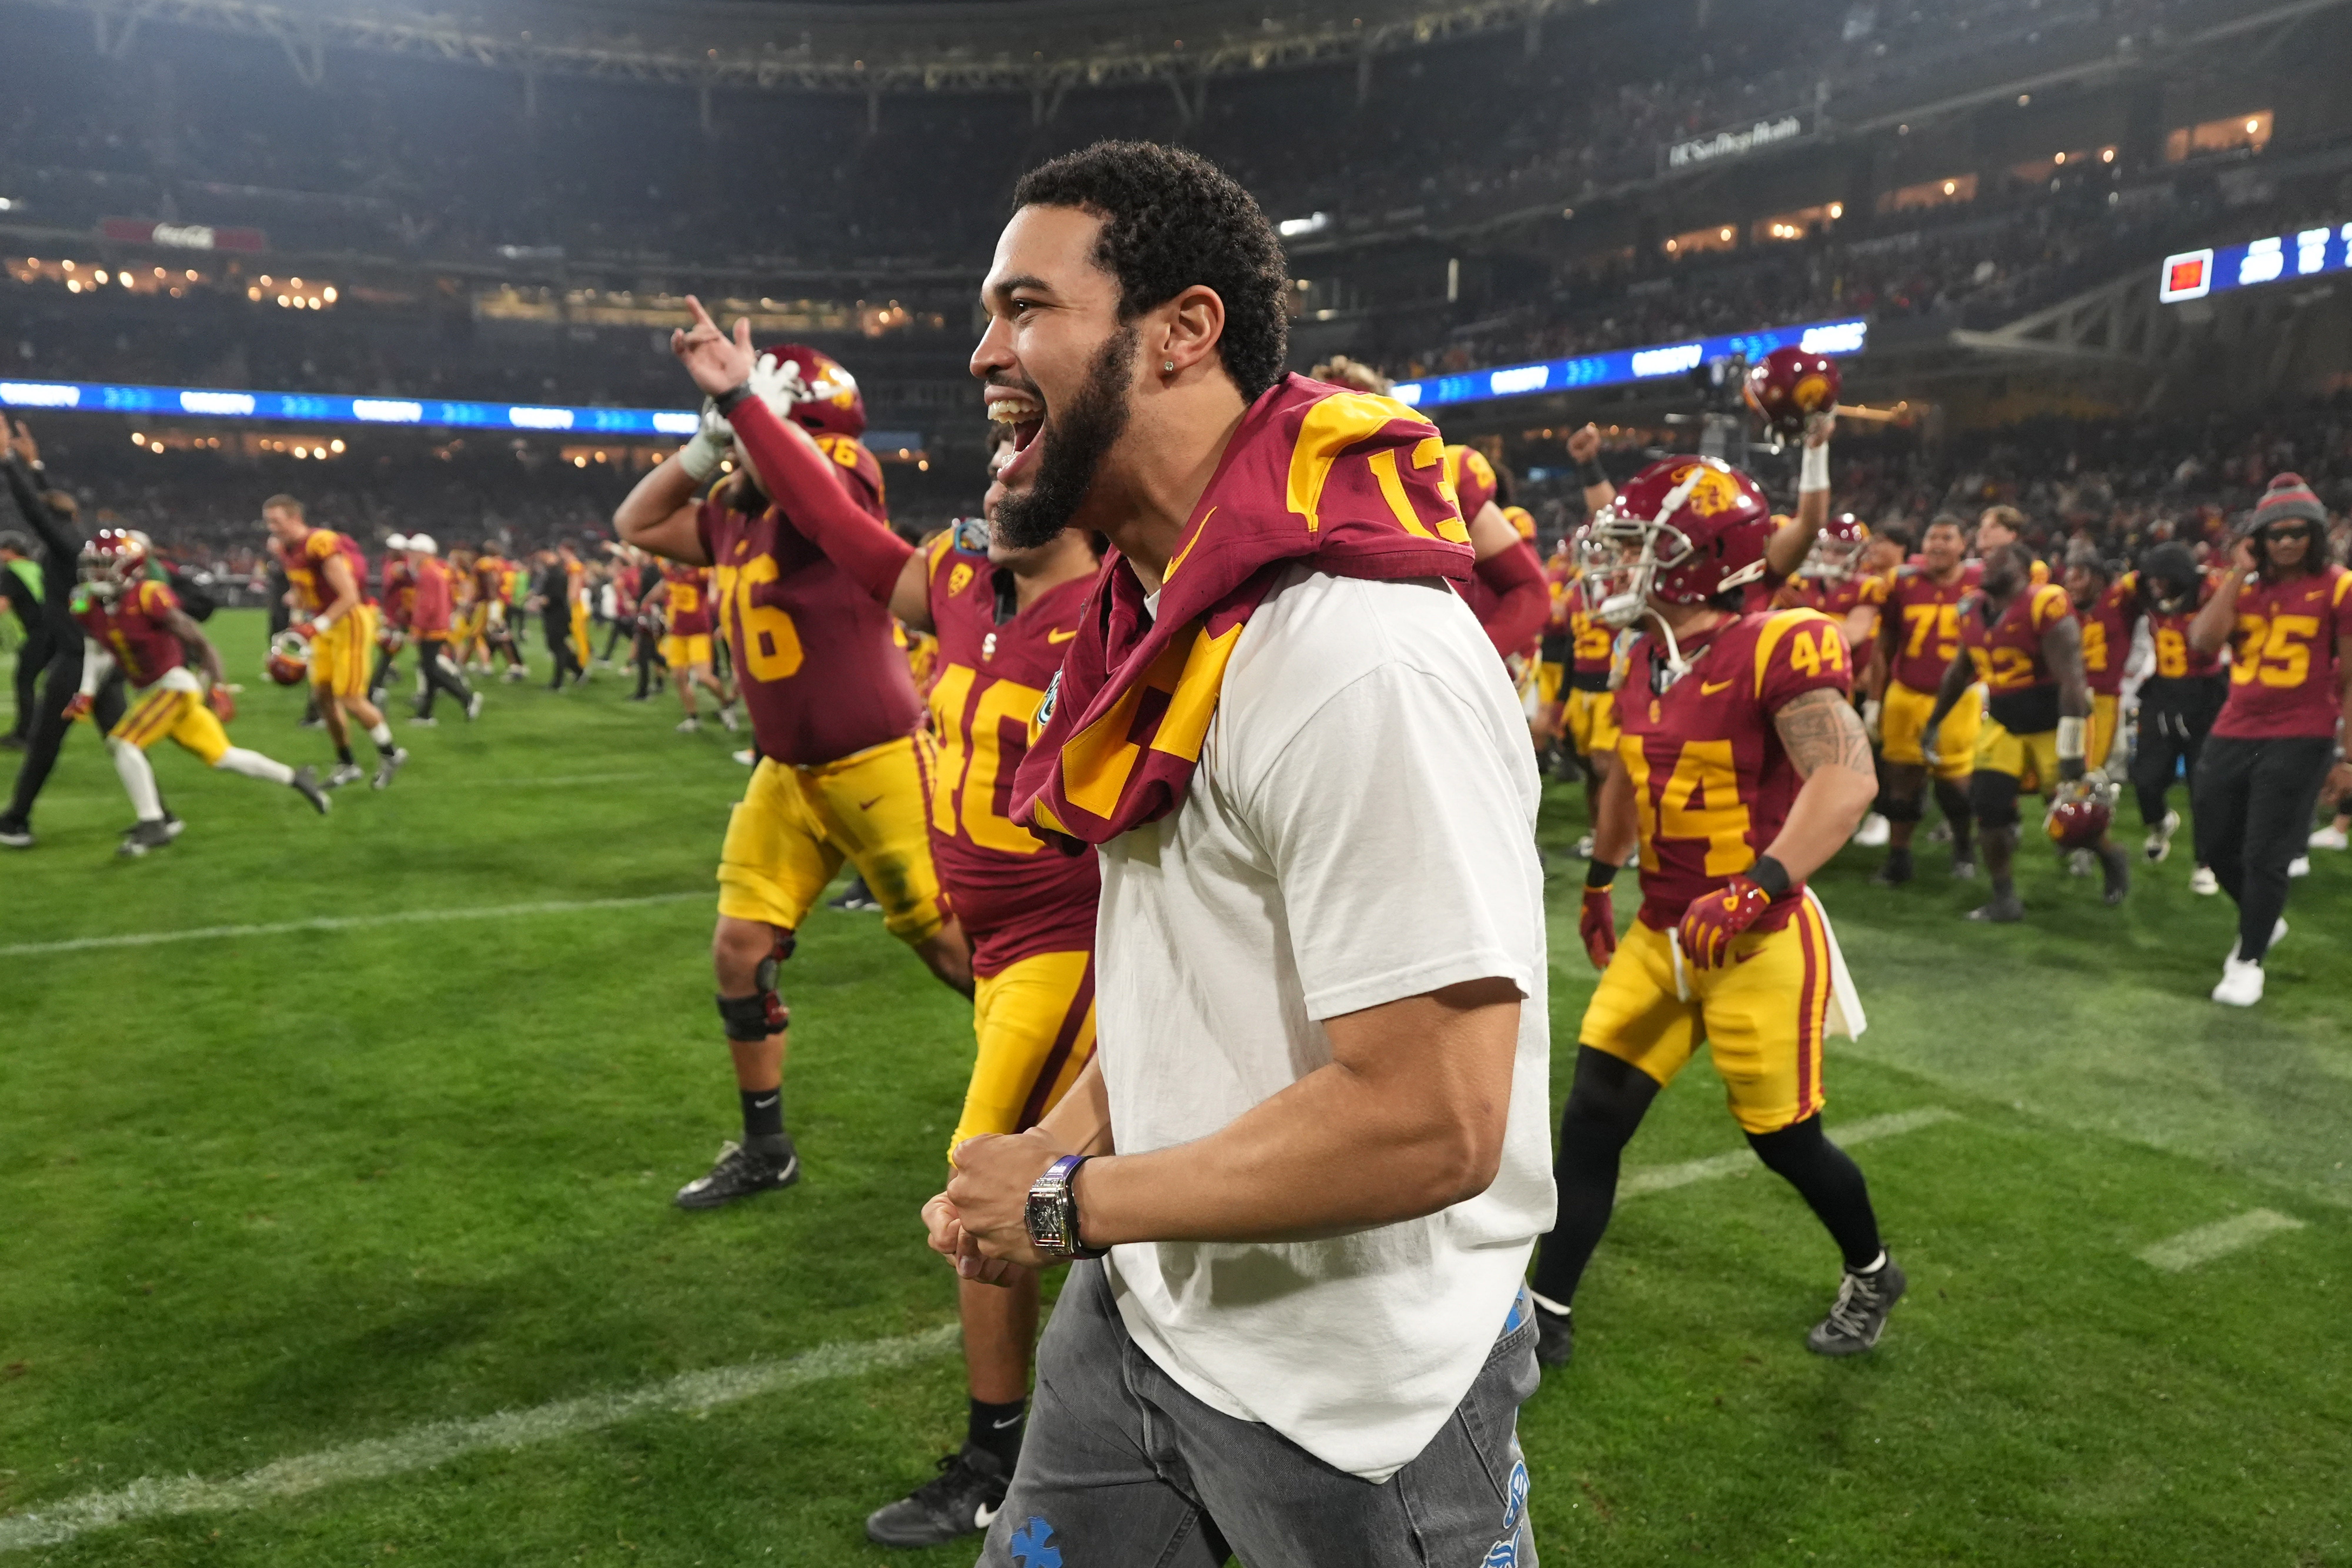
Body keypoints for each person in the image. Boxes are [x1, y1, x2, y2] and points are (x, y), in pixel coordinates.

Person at [875, 141, 1550, 1568]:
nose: (982, 347)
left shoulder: (1354, 653)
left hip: (1355, 1405)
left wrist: (1067, 1203)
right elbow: (1209, 991)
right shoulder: (1162, 608)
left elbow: (1432, 1113)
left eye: (1023, 305)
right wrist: (1061, 1144)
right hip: (1140, 1321)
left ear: (1183, 331)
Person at [770, 436, 1107, 1547]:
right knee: (1074, 1185)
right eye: (996, 472)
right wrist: (736, 398)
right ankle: (1127, 1388)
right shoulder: (969, 576)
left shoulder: (1120, 599)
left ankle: (997, 1456)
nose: (996, 489)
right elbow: (840, 526)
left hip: (1074, 934)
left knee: (984, 1184)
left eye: (1022, 476)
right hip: (1002, 942)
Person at [1529, 454, 1895, 1373]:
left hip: (1759, 935)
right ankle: (1548, 1306)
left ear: (1702, 560)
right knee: (1592, 1116)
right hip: (1662, 931)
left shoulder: (1783, 641)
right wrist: (1598, 878)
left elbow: (1847, 779)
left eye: (1643, 548)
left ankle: (1872, 1268)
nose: (1621, 564)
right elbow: (1626, 774)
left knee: (1785, 1139)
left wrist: (1757, 884)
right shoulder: (1647, 653)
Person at [617, 338, 972, 1208]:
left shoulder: (839, 470)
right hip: (788, 774)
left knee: (958, 951)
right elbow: (636, 523)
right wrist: (708, 446)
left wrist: (753, 414)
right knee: (740, 949)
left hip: (879, 759)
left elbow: (815, 494)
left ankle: (1093, 1091)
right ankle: (767, 1146)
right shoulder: (733, 513)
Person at [2189, 474, 2352, 1005]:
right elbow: (2203, 643)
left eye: (2296, 532)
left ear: (2314, 534)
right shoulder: (2244, 586)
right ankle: (2263, 918)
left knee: (2265, 852)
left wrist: (2347, 756)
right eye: (2274, 533)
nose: (2285, 543)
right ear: (2258, 538)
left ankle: (2248, 958)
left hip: (2301, 732)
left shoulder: (2338, 586)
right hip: (2235, 725)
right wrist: (2237, 570)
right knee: (2214, 844)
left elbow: (2350, 677)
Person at [71, 527, 330, 853]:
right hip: (152, 692)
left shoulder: (149, 596)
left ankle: (154, 824)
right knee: (222, 756)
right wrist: (86, 693)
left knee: (123, 744)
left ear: (127, 567)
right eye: (92, 563)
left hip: (173, 687)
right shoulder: (87, 603)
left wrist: (219, 688)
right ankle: (297, 778)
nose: (94, 571)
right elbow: (97, 649)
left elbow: (201, 642)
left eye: (102, 564)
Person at [1923, 542, 2128, 921]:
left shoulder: (2044, 604)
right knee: (1989, 808)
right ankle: (2004, 898)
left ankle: (2111, 856)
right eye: (1985, 559)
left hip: (2052, 722)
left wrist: (2070, 750)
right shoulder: (1971, 609)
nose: (1987, 565)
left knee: (2073, 815)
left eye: (1998, 559)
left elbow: (2072, 680)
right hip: (2003, 723)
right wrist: (1935, 721)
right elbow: (1960, 671)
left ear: (2021, 568)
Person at [0, 421, 153, 848]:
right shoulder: (74, 541)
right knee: (123, 741)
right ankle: (159, 815)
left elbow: (37, 510)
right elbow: (50, 507)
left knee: (45, 745)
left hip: (77, 661)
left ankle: (14, 820)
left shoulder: (66, 548)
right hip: (101, 659)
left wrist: (9, 463)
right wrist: (36, 466)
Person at [262, 495, 407, 789]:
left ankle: (391, 754)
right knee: (324, 696)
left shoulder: (320, 543)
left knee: (350, 696)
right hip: (323, 622)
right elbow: (301, 590)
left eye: (276, 520)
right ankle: (347, 763)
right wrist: (294, 626)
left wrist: (316, 626)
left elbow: (350, 595)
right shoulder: (286, 549)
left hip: (349, 620)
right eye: (268, 521)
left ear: (294, 518)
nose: (271, 527)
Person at [1871, 514, 1981, 883]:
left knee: (1956, 783)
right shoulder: (1902, 582)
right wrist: (1875, 698)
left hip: (1957, 698)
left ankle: (1964, 848)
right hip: (1906, 691)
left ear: (1963, 545)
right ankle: (1899, 859)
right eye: (1932, 538)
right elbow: (1885, 641)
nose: (1937, 545)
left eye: (1947, 538)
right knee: (1901, 778)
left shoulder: (1981, 583)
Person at [2119, 543, 2226, 884]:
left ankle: (2206, 863)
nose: (2154, 585)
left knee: (2204, 785)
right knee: (2146, 777)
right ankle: (2161, 820)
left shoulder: (2212, 591)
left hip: (2207, 694)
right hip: (2163, 691)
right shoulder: (2140, 589)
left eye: (2161, 578)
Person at [646, 558, 739, 733]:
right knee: (678, 677)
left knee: (704, 677)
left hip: (699, 633)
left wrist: (721, 616)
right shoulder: (670, 572)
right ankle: (693, 717)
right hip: (677, 633)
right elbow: (664, 588)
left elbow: (714, 593)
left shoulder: (700, 573)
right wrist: (647, 601)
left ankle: (726, 706)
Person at [404, 536, 482, 725]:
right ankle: (425, 714)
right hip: (439, 625)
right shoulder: (437, 571)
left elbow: (426, 605)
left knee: (431, 669)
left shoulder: (428, 573)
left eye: (414, 551)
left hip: (431, 628)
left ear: (424, 552)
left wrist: (417, 629)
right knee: (430, 670)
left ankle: (466, 698)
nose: (411, 555)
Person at [1, 527, 45, 750]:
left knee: (25, 681)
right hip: (57, 632)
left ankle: (24, 735)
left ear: (10, 551)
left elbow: (2, 604)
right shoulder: (36, 568)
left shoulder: (11, 571)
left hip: (39, 634)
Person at [526, 547, 585, 689]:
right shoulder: (553, 572)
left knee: (558, 648)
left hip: (558, 615)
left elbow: (555, 597)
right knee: (558, 646)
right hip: (554, 614)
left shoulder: (556, 573)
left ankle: (558, 683)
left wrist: (537, 602)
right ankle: (579, 671)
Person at [371, 535, 414, 708]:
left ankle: (380, 682)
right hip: (400, 612)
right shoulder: (398, 566)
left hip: (404, 612)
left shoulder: (395, 564)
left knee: (428, 649)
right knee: (389, 646)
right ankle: (380, 682)